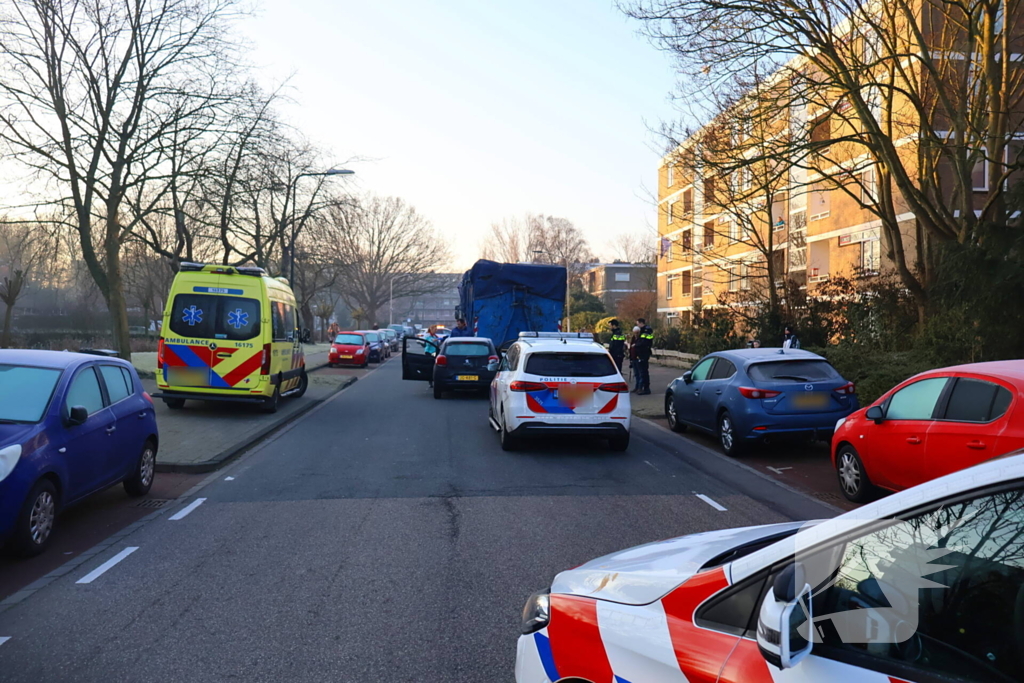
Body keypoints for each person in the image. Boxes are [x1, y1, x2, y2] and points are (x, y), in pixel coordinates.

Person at [633, 318, 653, 395]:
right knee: (642, 371)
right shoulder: (642, 331)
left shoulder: (646, 331)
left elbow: (644, 342)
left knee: (644, 372)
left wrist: (636, 345)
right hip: (641, 353)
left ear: (641, 323)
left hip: (644, 353)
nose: (637, 325)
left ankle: (646, 389)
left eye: (638, 324)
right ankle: (644, 388)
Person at [628, 325, 641, 390]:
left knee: (639, 374)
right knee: (636, 374)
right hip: (633, 358)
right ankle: (637, 387)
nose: (636, 334)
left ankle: (639, 387)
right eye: (635, 332)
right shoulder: (633, 338)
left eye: (637, 332)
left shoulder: (640, 339)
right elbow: (631, 348)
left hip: (638, 358)